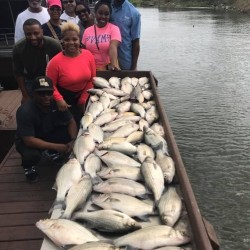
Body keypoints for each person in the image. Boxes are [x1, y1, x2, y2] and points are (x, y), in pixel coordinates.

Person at [15, 76, 78, 183]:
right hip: (29, 139)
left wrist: (73, 140)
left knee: (68, 134)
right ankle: (28, 167)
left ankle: (51, 151)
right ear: (33, 94)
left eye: (49, 93)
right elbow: (29, 140)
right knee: (32, 156)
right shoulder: (24, 111)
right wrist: (57, 146)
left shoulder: (57, 103)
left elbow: (71, 121)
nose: (46, 97)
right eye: (41, 93)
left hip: (48, 132)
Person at [46, 22, 96, 127]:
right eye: (67, 40)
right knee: (70, 126)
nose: (71, 43)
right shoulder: (54, 62)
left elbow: (92, 79)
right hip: (65, 99)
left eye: (74, 39)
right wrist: (59, 100)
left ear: (79, 40)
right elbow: (50, 85)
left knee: (88, 124)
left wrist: (83, 99)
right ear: (62, 41)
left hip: (84, 94)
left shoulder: (88, 55)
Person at [13, 18, 62, 104]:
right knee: (28, 106)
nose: (33, 37)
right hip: (31, 79)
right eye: (28, 34)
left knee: (55, 104)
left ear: (42, 31)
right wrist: (25, 95)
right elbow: (18, 73)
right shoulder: (18, 48)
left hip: (51, 78)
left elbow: (62, 67)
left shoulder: (54, 45)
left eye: (36, 33)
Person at [82, 0, 121, 70]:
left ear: (109, 15)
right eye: (100, 13)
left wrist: (114, 64)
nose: (103, 16)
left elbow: (113, 47)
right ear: (95, 13)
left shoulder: (114, 29)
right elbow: (84, 51)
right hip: (90, 68)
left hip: (108, 68)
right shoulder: (87, 31)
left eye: (106, 14)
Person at [110, 0, 141, 70]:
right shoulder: (106, 6)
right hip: (106, 61)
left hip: (124, 61)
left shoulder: (134, 13)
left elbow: (136, 41)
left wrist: (134, 67)